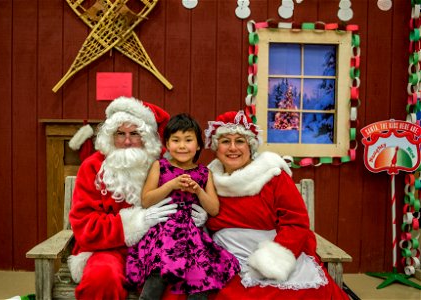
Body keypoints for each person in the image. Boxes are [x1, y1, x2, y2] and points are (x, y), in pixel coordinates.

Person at [199, 110, 350, 299]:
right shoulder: (206, 178)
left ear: (250, 146)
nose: (232, 148)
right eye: (225, 141)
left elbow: (296, 223)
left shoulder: (272, 175)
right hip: (225, 256)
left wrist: (273, 260)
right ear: (216, 147)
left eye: (239, 141)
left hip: (273, 250)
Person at [67, 97, 208, 300]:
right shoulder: (93, 167)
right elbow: (85, 226)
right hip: (109, 250)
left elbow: (188, 198)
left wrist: (199, 217)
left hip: (160, 248)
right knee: (101, 278)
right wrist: (136, 222)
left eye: (134, 134)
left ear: (146, 137)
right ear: (110, 136)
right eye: (120, 134)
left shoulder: (167, 165)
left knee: (181, 281)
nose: (126, 141)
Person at [126, 113, 240, 300]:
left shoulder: (204, 173)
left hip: (192, 235)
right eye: (176, 140)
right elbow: (146, 200)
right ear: (167, 145)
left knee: (201, 268)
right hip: (163, 232)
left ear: (198, 146)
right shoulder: (160, 167)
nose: (182, 146)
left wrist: (198, 191)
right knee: (161, 261)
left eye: (188, 140)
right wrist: (171, 185)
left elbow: (213, 209)